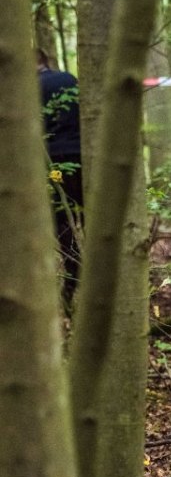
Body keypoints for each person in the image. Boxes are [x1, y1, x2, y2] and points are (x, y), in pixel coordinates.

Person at [37, 49, 83, 302]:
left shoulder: (30, 87)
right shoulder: (69, 78)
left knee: (62, 215)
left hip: (55, 161)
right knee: (86, 211)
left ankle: (74, 274)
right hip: (83, 157)